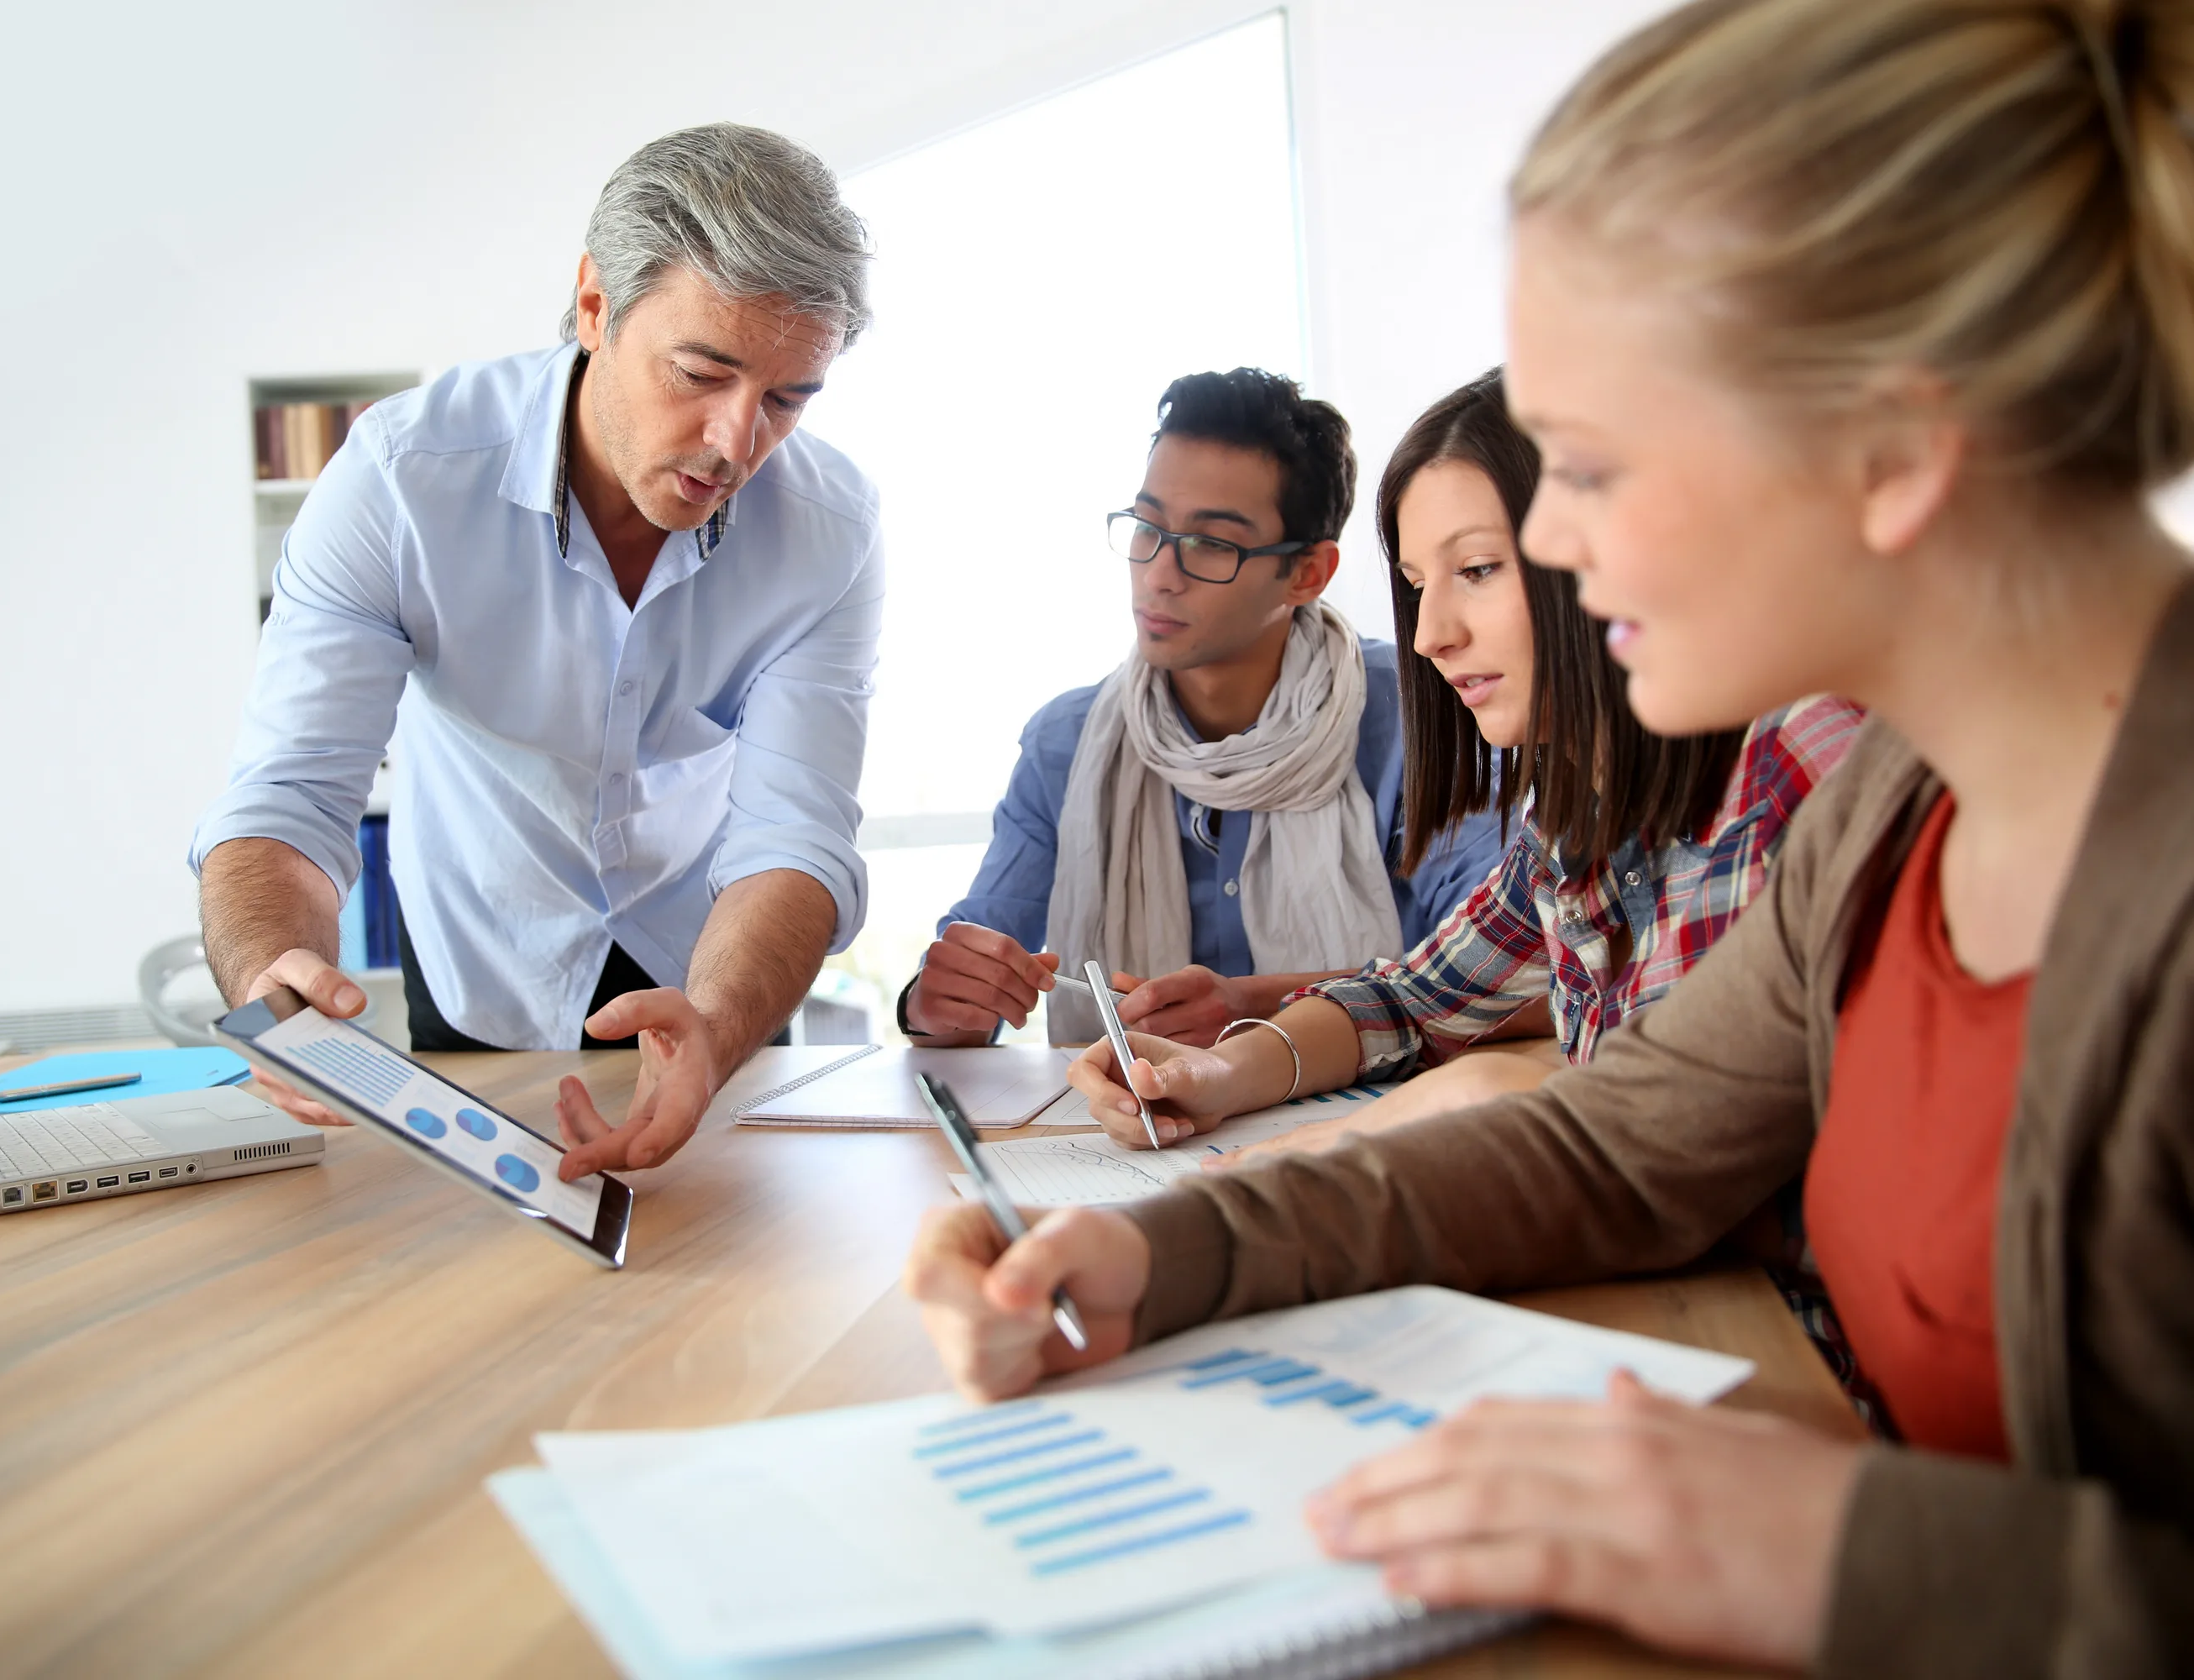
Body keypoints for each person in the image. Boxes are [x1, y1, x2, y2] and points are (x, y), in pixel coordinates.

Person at [905, 0, 2194, 1671]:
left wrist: (1843, 1543)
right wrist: (1164, 1247)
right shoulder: (1897, 810)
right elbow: (1612, 1144)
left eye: (1584, 466)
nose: (1557, 547)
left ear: (1890, 445)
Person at [190, 124, 881, 1182]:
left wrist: (721, 1020)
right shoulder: (399, 481)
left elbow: (795, 831)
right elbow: (289, 796)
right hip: (482, 950)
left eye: (789, 398)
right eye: (703, 372)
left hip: (712, 969)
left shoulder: (830, 527)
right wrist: (268, 964)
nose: (737, 441)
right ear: (596, 305)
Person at [1066, 370, 1854, 1158]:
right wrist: (1222, 1071)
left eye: (1476, 570)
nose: (1429, 634)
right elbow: (1418, 999)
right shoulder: (1578, 808)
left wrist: (1381, 1128)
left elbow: (1689, 1146)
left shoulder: (1788, 762)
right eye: (1416, 586)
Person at [899, 369, 1504, 1052]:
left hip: (1370, 1126)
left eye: (1212, 543)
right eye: (1147, 528)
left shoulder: (1414, 716)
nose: (1160, 572)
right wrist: (937, 999)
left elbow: (1499, 976)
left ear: (1307, 573)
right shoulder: (1067, 745)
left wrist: (1257, 1008)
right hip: (1124, 1138)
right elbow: (965, 987)